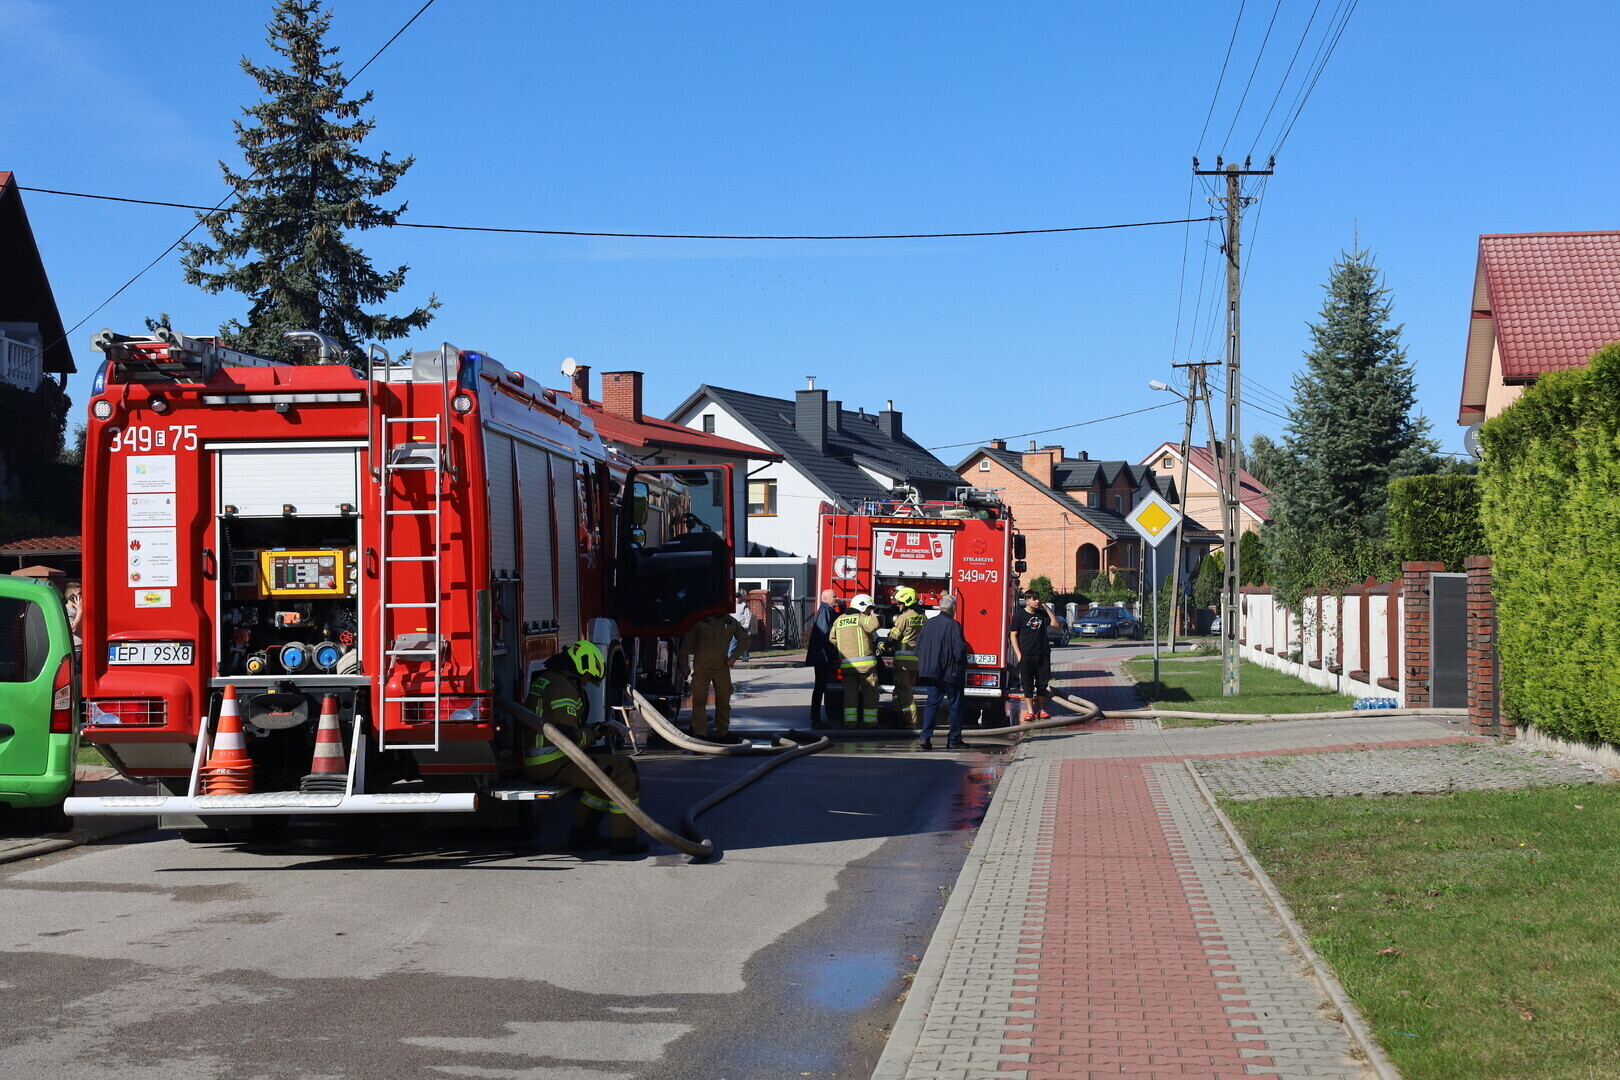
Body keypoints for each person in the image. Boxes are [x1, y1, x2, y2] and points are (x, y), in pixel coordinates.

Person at [524, 640, 648, 857]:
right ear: (580, 668)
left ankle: (582, 837)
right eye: (588, 677)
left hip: (544, 760)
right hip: (553, 761)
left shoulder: (550, 679)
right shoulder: (563, 688)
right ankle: (624, 840)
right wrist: (597, 733)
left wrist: (596, 728)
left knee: (602, 780)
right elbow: (568, 739)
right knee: (625, 769)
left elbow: (561, 727)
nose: (587, 682)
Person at [680, 610, 748, 741]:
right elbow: (687, 642)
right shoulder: (701, 620)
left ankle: (723, 733)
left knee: (723, 700)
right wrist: (683, 663)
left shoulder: (730, 621)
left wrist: (734, 657)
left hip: (721, 667)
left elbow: (745, 639)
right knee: (699, 699)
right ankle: (699, 732)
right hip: (702, 667)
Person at [916, 594, 969, 750]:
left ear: (940, 607)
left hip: (931, 673)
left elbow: (918, 649)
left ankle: (925, 737)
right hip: (950, 673)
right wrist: (961, 666)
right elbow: (959, 650)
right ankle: (954, 739)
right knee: (955, 705)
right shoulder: (953, 625)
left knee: (932, 704)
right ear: (953, 608)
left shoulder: (928, 624)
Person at [831, 593, 882, 729]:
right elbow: (874, 625)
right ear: (863, 607)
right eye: (869, 608)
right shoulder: (861, 618)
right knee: (870, 693)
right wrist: (876, 614)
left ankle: (850, 723)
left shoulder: (839, 620)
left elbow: (832, 639)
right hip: (866, 667)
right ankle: (870, 723)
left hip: (847, 666)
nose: (869, 611)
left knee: (850, 695)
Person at [1009, 589, 1053, 723]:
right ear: (1027, 600)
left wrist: (1046, 608)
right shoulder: (1019, 616)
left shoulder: (1042, 614)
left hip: (1042, 654)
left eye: (1038, 598)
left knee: (1042, 683)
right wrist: (1019, 654)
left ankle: (1041, 710)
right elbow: (1013, 635)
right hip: (1026, 655)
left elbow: (1056, 624)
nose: (1037, 601)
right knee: (1027, 684)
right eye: (1034, 599)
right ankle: (1030, 711)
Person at [888, 586, 925, 728]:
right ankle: (896, 711)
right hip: (916, 662)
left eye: (900, 603)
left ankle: (911, 721)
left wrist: (882, 646)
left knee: (905, 691)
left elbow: (893, 638)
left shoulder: (903, 617)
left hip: (902, 662)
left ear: (907, 602)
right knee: (901, 689)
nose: (898, 605)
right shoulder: (922, 616)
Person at [804, 589, 841, 727]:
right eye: (834, 596)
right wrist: (835, 646)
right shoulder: (825, 611)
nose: (836, 598)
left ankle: (816, 717)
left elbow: (837, 618)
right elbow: (824, 632)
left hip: (823, 655)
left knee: (820, 686)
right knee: (820, 686)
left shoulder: (828, 610)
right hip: (822, 656)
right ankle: (816, 718)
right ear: (825, 598)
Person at [61, 580, 83, 662]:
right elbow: (73, 629)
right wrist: (80, 611)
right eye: (79, 594)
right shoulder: (66, 611)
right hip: (75, 648)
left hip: (83, 647)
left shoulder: (79, 609)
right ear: (71, 597)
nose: (82, 596)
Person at [733, 590, 754, 662]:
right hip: (733, 627)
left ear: (741, 598)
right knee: (732, 643)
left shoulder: (744, 606)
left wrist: (746, 626)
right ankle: (732, 657)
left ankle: (745, 657)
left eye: (739, 597)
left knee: (743, 643)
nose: (737, 599)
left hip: (742, 627)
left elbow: (748, 616)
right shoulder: (732, 605)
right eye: (736, 598)